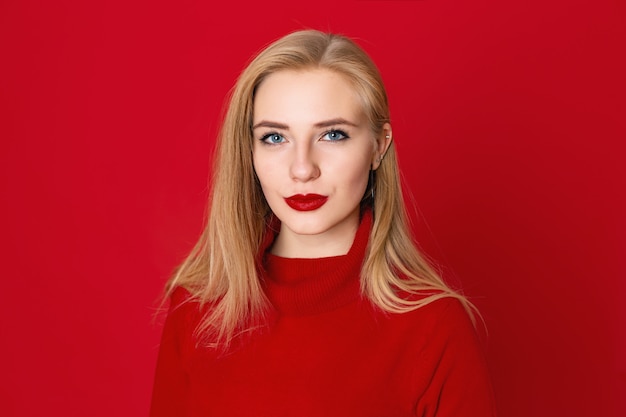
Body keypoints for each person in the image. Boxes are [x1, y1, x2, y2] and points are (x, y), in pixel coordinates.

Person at [150, 30, 496, 416]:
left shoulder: (432, 327)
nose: (302, 168)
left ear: (379, 146)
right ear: (249, 150)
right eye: (275, 137)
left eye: (333, 134)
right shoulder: (197, 310)